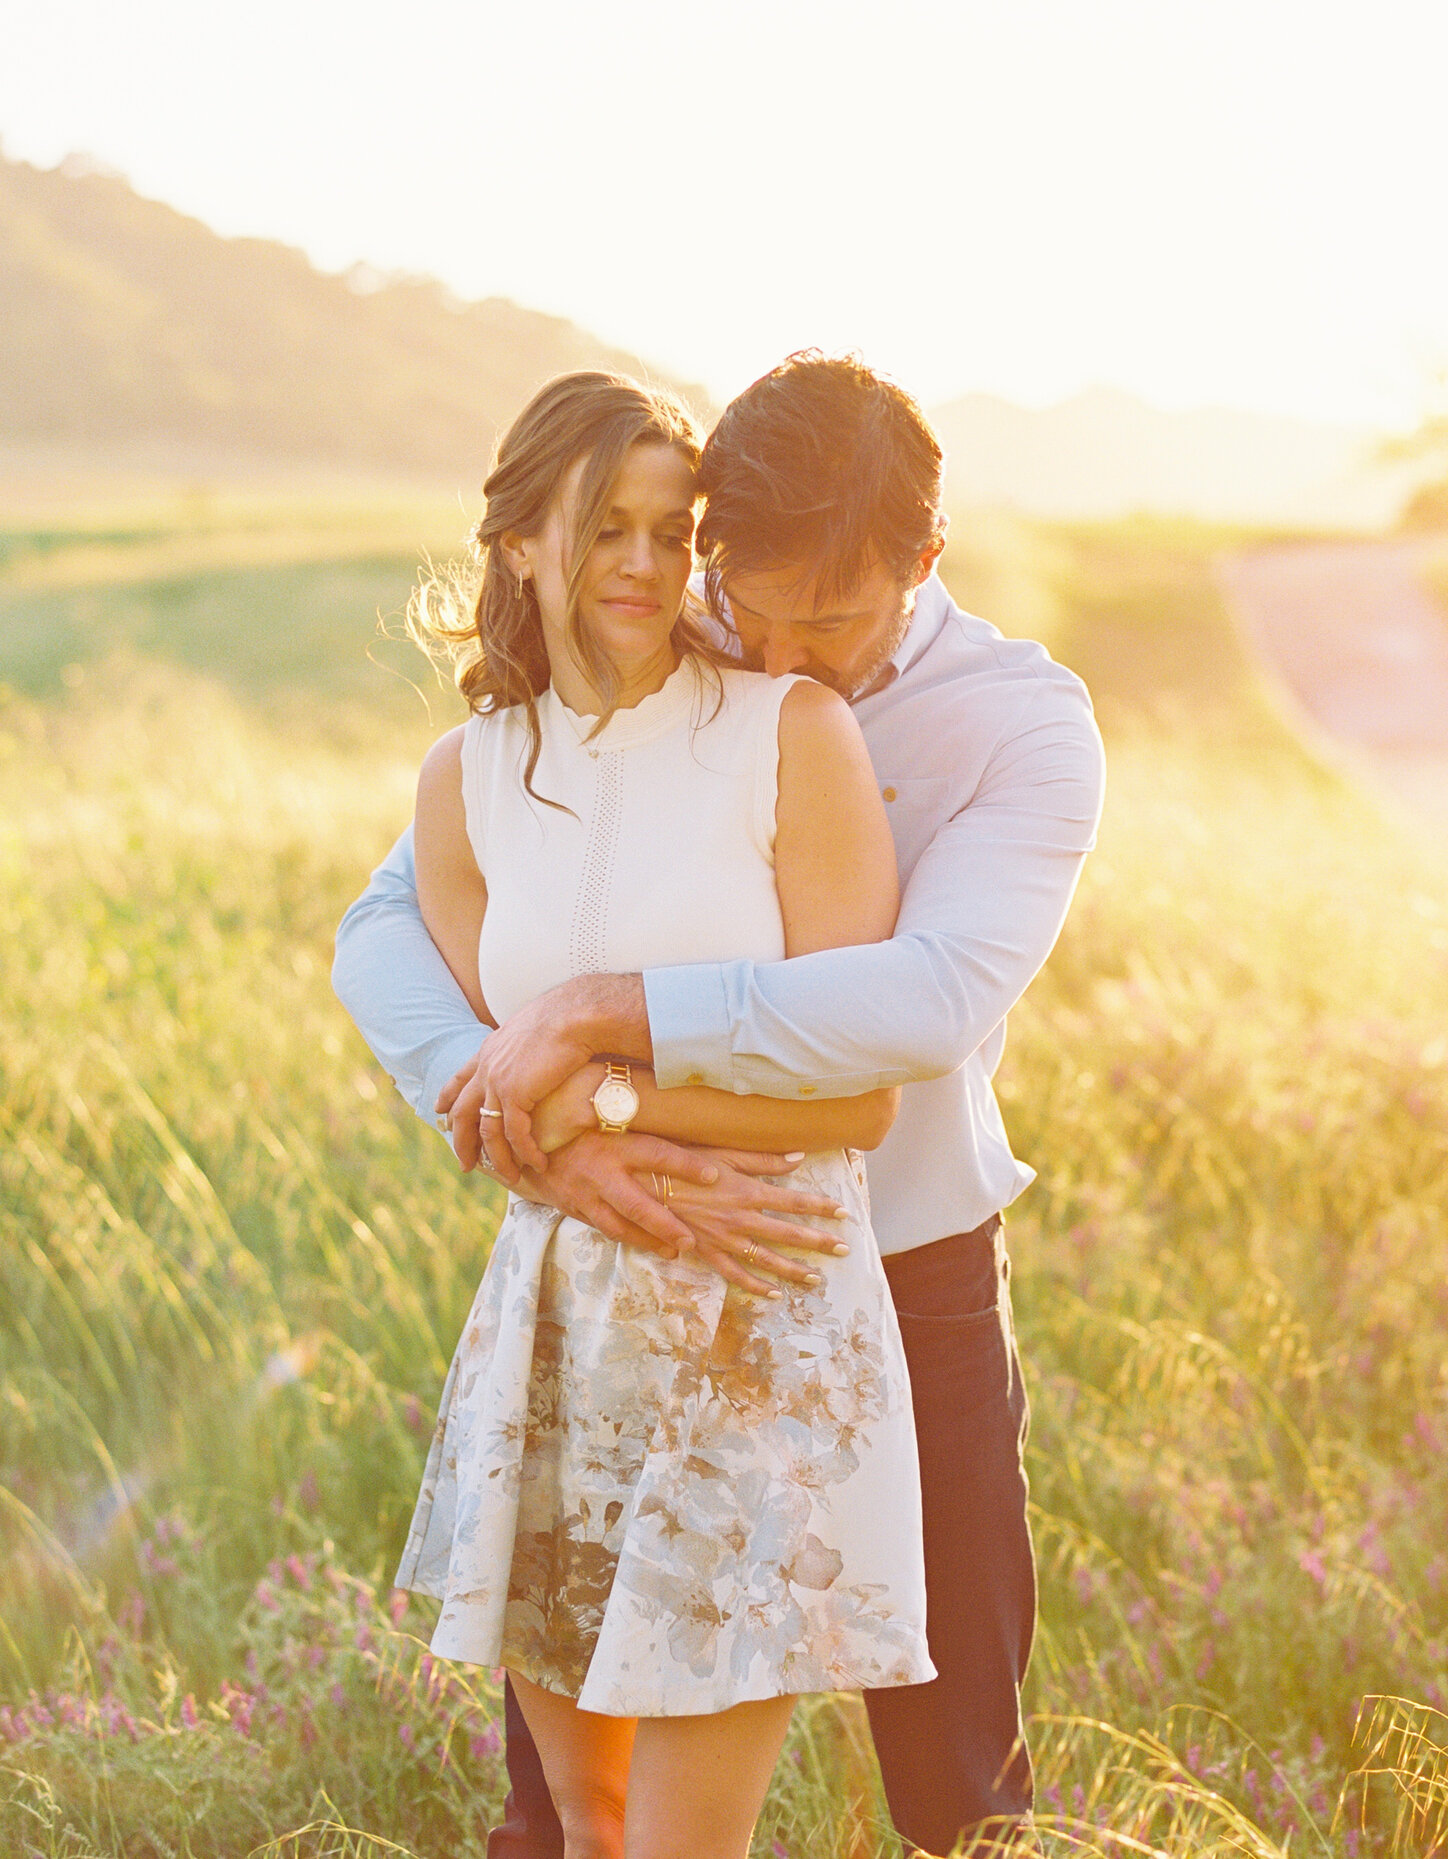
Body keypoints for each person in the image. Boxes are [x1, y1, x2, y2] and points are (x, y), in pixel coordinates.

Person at [335, 352, 1106, 1856]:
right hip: (614, 1251)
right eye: (742, 595)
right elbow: (391, 924)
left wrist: (596, 1026)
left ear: (922, 563)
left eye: (825, 615)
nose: (768, 640)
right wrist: (521, 1120)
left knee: (959, 1781)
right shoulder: (654, 631)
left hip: (894, 1256)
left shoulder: (1016, 722)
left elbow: (926, 1004)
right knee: (565, 1801)